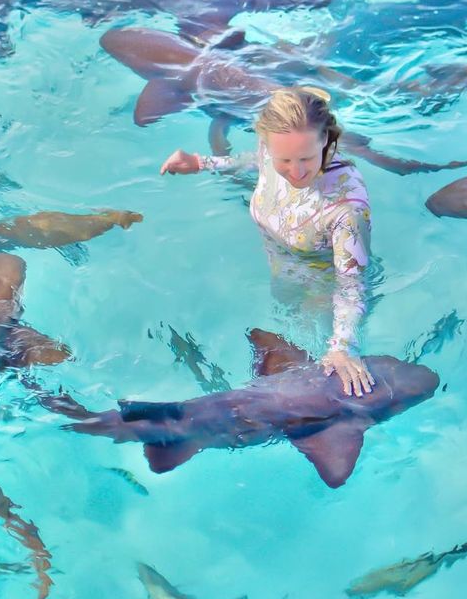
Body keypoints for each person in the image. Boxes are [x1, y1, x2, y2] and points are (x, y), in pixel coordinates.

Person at [160, 87, 375, 397]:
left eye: (307, 158)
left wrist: (343, 346)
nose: (296, 172)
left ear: (325, 140)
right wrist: (202, 162)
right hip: (279, 270)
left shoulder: (347, 206)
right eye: (284, 159)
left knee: (296, 389)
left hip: (323, 294)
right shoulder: (268, 149)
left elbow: (351, 283)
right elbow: (253, 161)